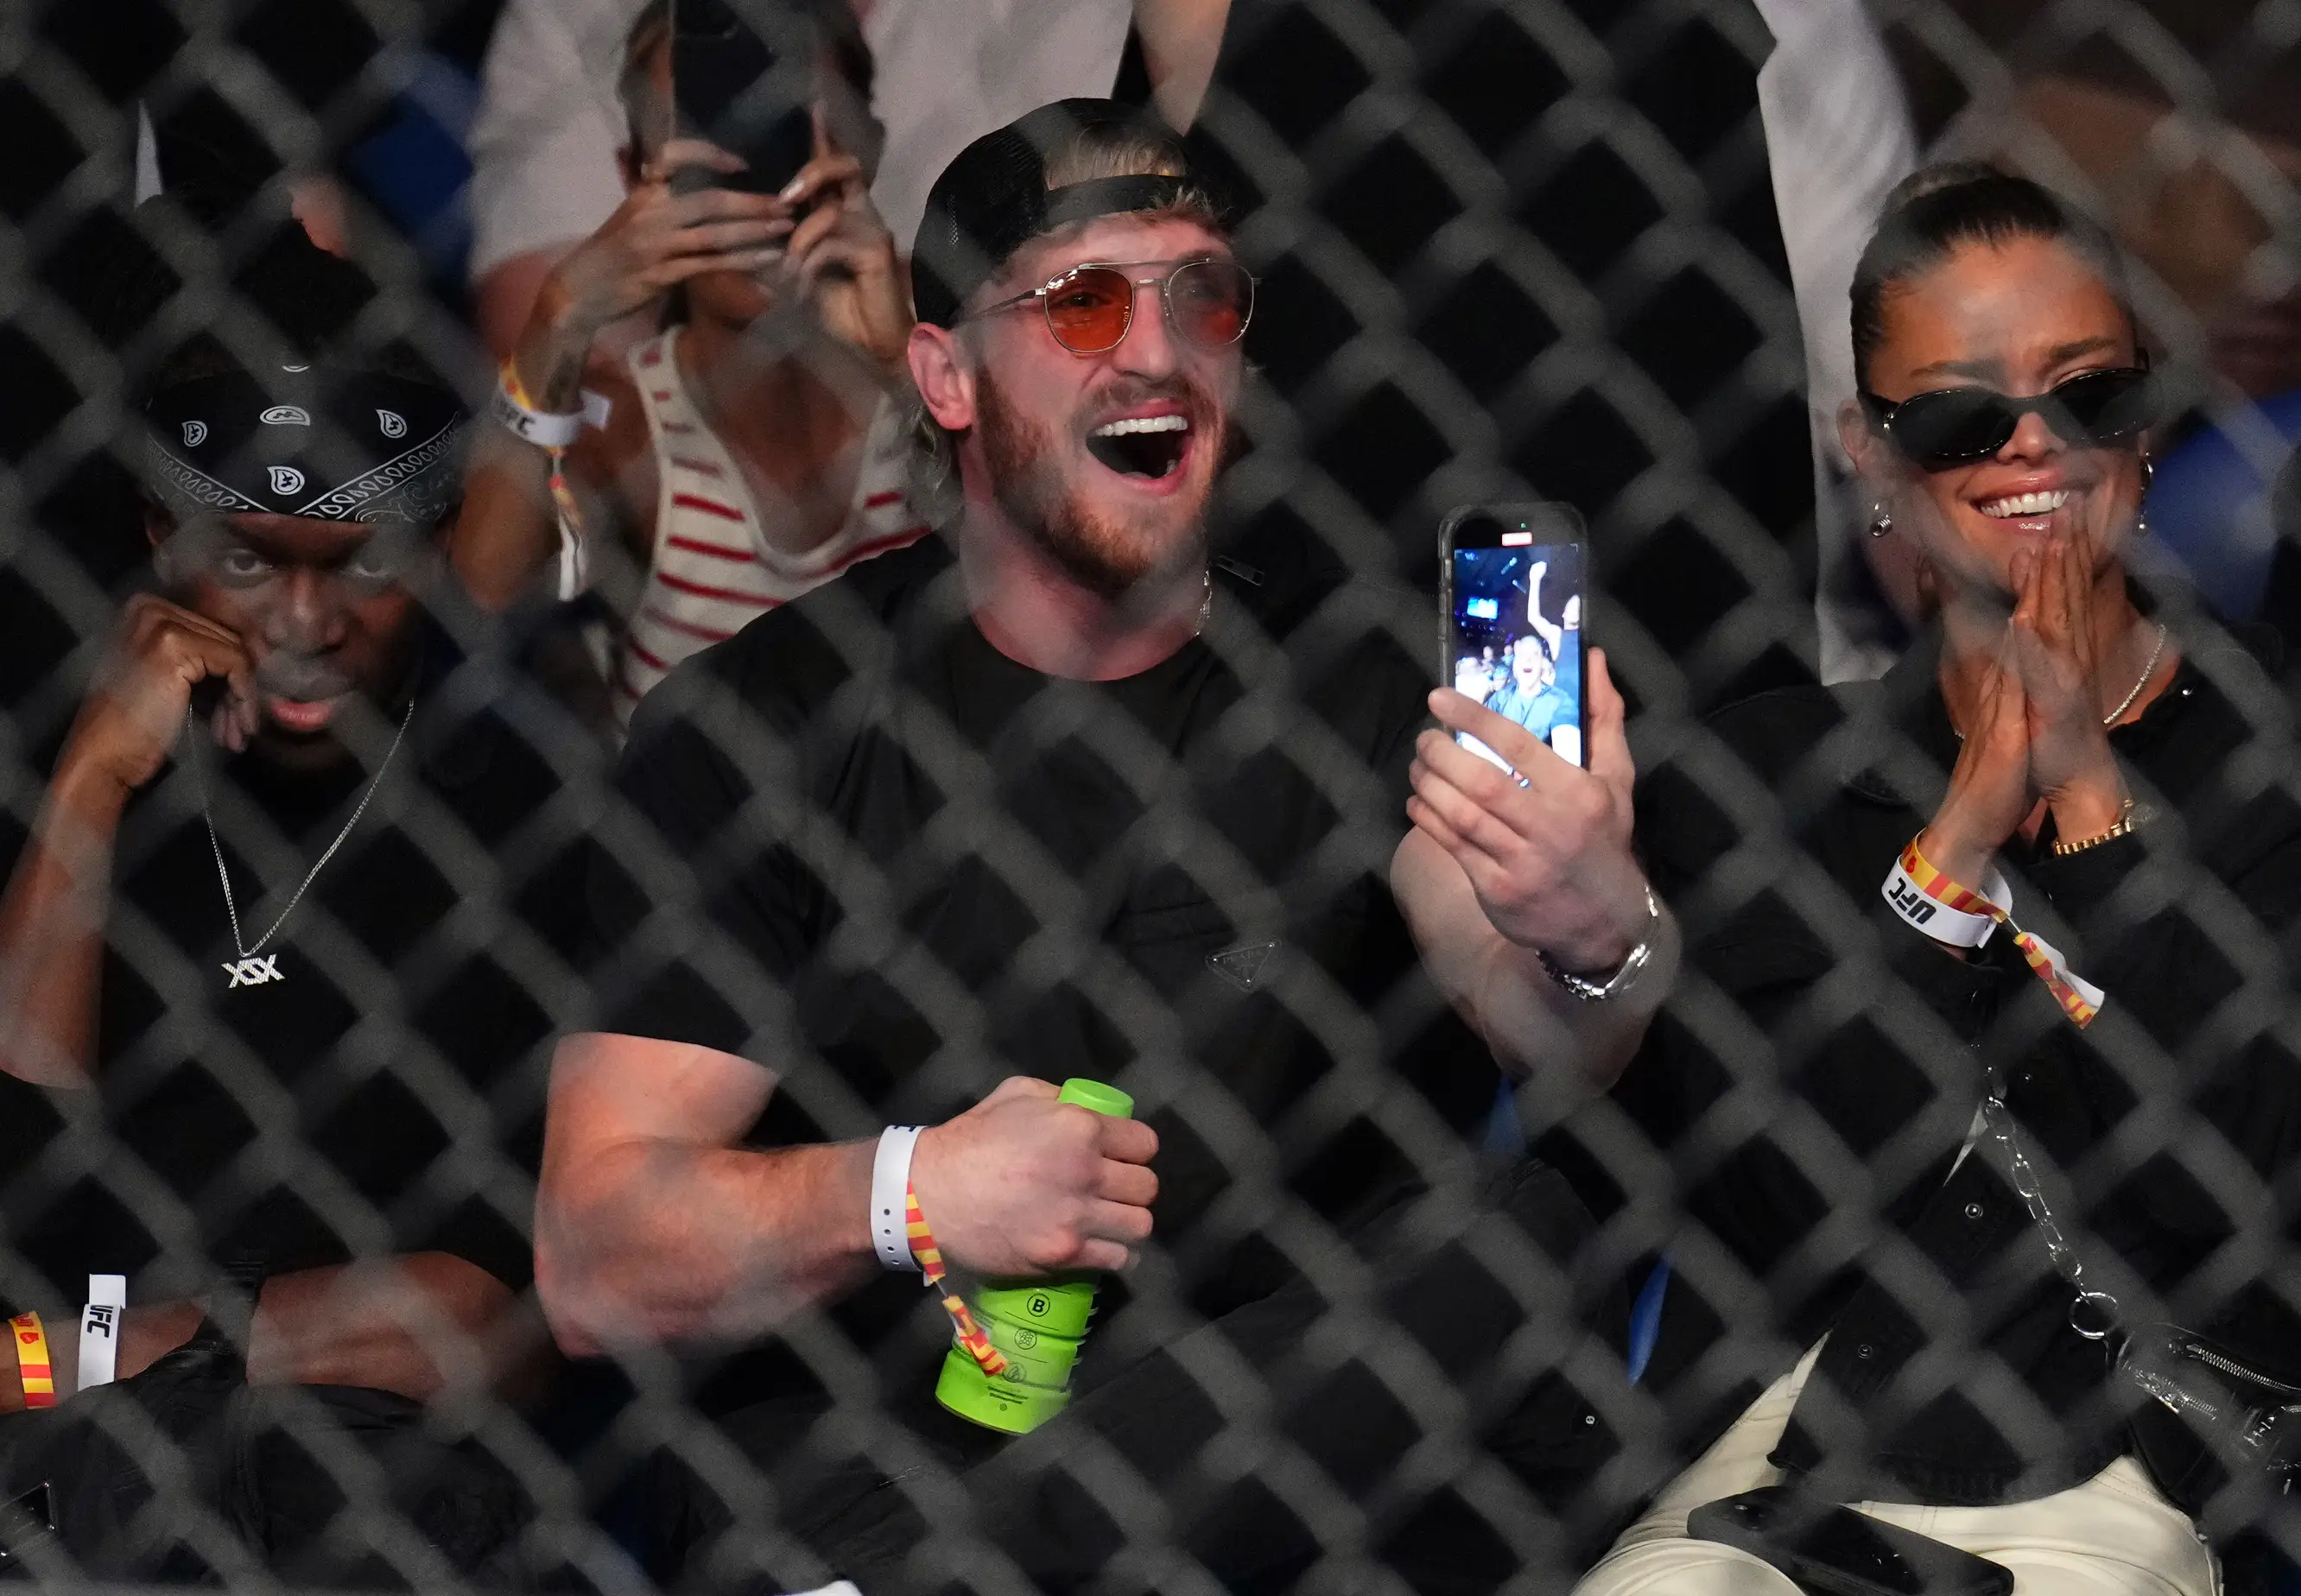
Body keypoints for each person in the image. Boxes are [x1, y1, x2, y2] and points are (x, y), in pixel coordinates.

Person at [536, 98, 1636, 1586]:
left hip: (1274, 1477)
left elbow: (1553, 1028)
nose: (1156, 348)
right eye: (1080, 300)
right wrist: (910, 1191)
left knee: (1521, 1225)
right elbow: (590, 1260)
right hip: (882, 1481)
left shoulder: (1357, 679)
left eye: (1203, 295)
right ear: (942, 373)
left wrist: (1592, 932)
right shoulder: (764, 724)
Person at [1415, 162, 2301, 1596]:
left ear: (2140, 425)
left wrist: (2084, 796)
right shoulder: (1775, 772)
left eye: (2080, 394)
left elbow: (2239, 1183)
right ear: (1872, 461)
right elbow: (1794, 1192)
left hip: (2140, 1464)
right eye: (1958, 416)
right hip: (1782, 1439)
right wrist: (1950, 845)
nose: (2031, 449)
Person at [0, 235, 579, 1572]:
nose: (310, 622)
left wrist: (83, 1352)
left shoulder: (515, 806)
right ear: (159, 532)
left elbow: (485, 1318)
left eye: (362, 563)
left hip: (361, 1492)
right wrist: (89, 782)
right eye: (250, 562)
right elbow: (27, 1165)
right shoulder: (65, 752)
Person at [451, 0, 926, 727]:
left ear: (867, 147)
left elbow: (1055, 551)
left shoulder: (945, 351)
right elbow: (478, 593)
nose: (746, 173)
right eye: (709, 132)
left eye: (785, 124)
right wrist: (562, 312)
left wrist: (904, 364)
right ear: (638, 172)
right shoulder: (627, 420)